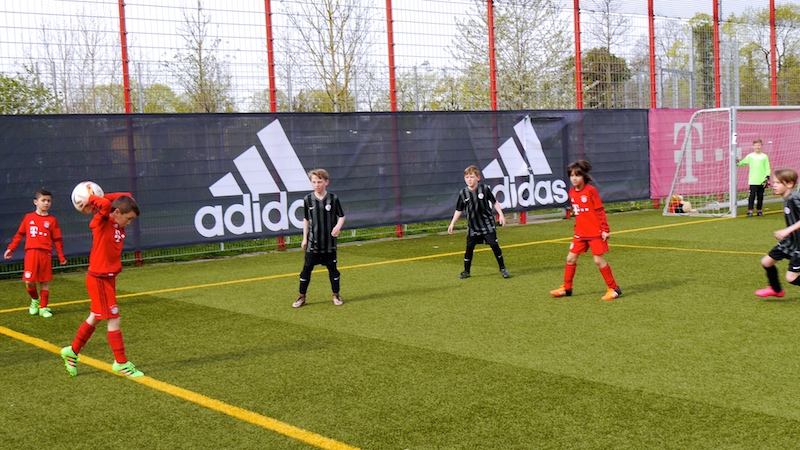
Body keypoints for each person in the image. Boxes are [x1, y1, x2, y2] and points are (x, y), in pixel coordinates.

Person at [60, 190, 144, 378]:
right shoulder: (101, 222)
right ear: (116, 213)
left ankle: (72, 352)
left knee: (96, 317)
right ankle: (120, 363)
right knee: (113, 318)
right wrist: (88, 198)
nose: (129, 223)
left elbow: (126, 194)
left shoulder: (116, 221)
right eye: (128, 219)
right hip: (99, 278)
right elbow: (105, 206)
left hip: (108, 277)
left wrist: (100, 193)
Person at [550, 160, 622, 301]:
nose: (574, 178)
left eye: (577, 175)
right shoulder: (571, 192)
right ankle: (567, 288)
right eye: (571, 175)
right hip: (580, 234)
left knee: (598, 260)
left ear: (584, 176)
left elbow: (599, 210)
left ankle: (614, 288)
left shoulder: (591, 191)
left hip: (595, 233)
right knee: (570, 259)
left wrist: (605, 229)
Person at [4, 189, 67, 318]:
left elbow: (57, 240)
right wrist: (11, 248)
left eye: (49, 201)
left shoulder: (52, 221)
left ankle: (44, 308)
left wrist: (61, 256)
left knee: (44, 282)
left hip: (45, 254)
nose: (46, 203)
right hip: (31, 254)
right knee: (29, 281)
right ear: (35, 202)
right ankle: (34, 300)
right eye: (43, 200)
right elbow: (20, 234)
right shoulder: (29, 218)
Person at [292, 169, 346, 308]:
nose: (317, 184)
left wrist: (338, 226)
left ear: (326, 182)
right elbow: (306, 219)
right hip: (312, 243)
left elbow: (342, 216)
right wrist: (304, 239)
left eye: (320, 182)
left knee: (333, 270)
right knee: (306, 270)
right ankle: (301, 296)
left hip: (329, 244)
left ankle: (336, 295)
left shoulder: (333, 199)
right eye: (314, 182)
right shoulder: (307, 199)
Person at [447, 165, 510, 279]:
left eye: (471, 177)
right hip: (473, 227)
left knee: (494, 245)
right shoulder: (463, 193)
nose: (469, 179)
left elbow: (494, 202)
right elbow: (459, 209)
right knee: (469, 248)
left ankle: (503, 268)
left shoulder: (484, 189)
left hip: (487, 225)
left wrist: (501, 215)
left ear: (478, 178)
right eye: (467, 177)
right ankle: (466, 271)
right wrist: (452, 223)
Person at [755, 168, 800, 298]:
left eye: (777, 183)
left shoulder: (794, 199)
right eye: (773, 182)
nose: (773, 185)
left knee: (791, 278)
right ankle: (776, 290)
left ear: (789, 184)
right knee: (766, 262)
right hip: (791, 241)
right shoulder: (787, 198)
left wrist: (787, 230)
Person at [737, 139, 771, 217]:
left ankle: (759, 210)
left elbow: (767, 167)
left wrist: (767, 176)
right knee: (752, 196)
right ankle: (750, 210)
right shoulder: (750, 156)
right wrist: (737, 162)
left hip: (762, 179)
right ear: (753, 146)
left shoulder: (764, 156)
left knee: (760, 196)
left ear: (761, 146)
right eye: (755, 145)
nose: (757, 147)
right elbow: (743, 163)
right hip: (753, 180)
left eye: (759, 145)